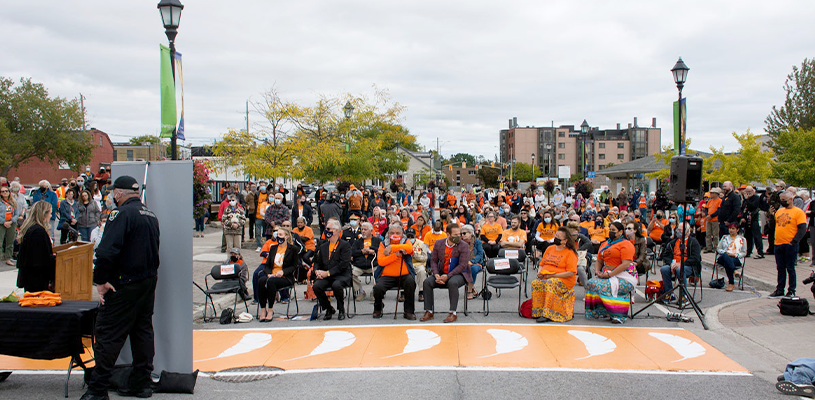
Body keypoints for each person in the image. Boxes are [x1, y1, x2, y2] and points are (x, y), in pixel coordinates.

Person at [82, 175, 160, 400]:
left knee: (109, 335)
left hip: (124, 283)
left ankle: (97, 390)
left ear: (118, 193)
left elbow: (106, 251)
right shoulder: (150, 215)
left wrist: (100, 280)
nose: (111, 197)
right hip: (147, 281)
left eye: (112, 193)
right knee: (142, 331)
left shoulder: (121, 214)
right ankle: (141, 383)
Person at [585, 221, 637, 324]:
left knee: (603, 286)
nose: (611, 232)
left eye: (613, 230)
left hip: (625, 276)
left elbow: (626, 264)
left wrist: (609, 274)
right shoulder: (605, 244)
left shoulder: (626, 244)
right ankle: (601, 311)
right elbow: (599, 260)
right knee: (591, 283)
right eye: (610, 230)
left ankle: (618, 315)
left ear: (620, 232)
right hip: (607, 274)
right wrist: (598, 271)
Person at [421, 222, 469, 323]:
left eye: (459, 234)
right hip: (442, 272)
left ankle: (453, 313)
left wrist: (448, 276)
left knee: (452, 283)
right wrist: (436, 274)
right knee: (427, 282)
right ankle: (429, 311)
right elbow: (433, 260)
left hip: (458, 274)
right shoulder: (439, 243)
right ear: (448, 234)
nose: (458, 237)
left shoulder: (463, 245)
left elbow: (462, 265)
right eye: (455, 235)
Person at [531, 226, 578, 323]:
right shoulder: (550, 248)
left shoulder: (570, 253)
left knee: (551, 283)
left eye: (558, 237)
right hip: (547, 276)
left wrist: (553, 276)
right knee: (536, 283)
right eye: (555, 235)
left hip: (563, 279)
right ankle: (538, 311)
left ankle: (548, 314)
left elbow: (571, 272)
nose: (556, 238)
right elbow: (542, 264)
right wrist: (539, 273)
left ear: (565, 241)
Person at [372, 224, 416, 319]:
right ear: (388, 233)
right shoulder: (383, 244)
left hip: (404, 275)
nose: (395, 235)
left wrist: (392, 248)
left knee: (411, 282)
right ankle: (378, 308)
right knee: (378, 288)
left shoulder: (406, 241)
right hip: (386, 276)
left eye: (397, 233)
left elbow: (409, 248)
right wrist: (395, 255)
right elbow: (381, 261)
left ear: (402, 233)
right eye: (392, 233)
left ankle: (409, 311)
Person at [769, 191, 808, 298]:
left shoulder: (798, 212)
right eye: (781, 199)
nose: (782, 202)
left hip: (790, 244)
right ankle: (780, 289)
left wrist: (794, 241)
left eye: (784, 200)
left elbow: (802, 229)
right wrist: (771, 216)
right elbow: (772, 226)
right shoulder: (780, 211)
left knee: (790, 268)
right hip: (778, 243)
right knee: (780, 268)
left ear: (791, 199)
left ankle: (791, 290)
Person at [312, 219, 352, 320]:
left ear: (336, 230)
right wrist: (317, 271)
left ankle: (341, 309)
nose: (327, 231)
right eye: (326, 229)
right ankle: (328, 308)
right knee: (316, 286)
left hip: (341, 275)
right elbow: (317, 261)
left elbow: (343, 264)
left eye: (329, 229)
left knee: (336, 285)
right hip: (326, 275)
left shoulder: (345, 245)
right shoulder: (323, 246)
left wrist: (328, 273)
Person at [257, 227, 299, 322]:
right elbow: (267, 265)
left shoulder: (293, 249)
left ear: (287, 236)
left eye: (280, 235)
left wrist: (283, 272)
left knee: (271, 282)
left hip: (285, 277)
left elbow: (294, 266)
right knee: (261, 280)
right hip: (272, 275)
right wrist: (268, 273)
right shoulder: (273, 248)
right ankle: (263, 309)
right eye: (277, 235)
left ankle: (270, 310)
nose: (278, 237)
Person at [658, 223, 702, 306]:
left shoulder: (693, 242)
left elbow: (695, 258)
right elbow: (665, 255)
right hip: (674, 264)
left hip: (689, 266)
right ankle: (669, 293)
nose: (678, 232)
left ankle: (683, 295)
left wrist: (682, 264)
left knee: (680, 270)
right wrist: (670, 263)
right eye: (678, 229)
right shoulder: (673, 243)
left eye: (681, 230)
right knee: (664, 269)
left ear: (687, 231)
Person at [15, 201, 54, 291]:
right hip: (36, 278)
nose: (51, 216)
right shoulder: (38, 232)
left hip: (31, 276)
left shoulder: (32, 228)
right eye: (50, 213)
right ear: (44, 214)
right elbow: (40, 258)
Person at [351, 222, 381, 301]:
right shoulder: (357, 241)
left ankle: (374, 291)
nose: (363, 231)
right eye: (362, 229)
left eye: (365, 229)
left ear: (371, 231)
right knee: (351, 273)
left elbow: (382, 250)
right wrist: (362, 251)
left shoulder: (377, 240)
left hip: (373, 265)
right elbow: (352, 252)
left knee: (381, 272)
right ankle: (361, 291)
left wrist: (372, 249)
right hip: (359, 266)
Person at [716, 223, 747, 292]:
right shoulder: (724, 237)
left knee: (728, 262)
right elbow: (718, 248)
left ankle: (731, 283)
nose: (731, 230)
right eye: (730, 228)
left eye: (733, 229)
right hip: (723, 256)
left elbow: (744, 253)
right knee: (725, 256)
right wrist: (725, 252)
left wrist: (735, 255)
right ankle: (734, 270)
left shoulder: (742, 239)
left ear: (737, 230)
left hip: (735, 258)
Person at [460, 224, 484, 300]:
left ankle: (469, 291)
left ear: (471, 233)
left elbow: (480, 255)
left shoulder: (478, 242)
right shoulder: (460, 243)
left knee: (472, 268)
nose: (462, 235)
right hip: (465, 263)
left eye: (464, 233)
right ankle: (472, 287)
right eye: (461, 234)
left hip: (477, 262)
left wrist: (472, 261)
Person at [406, 227, 430, 302]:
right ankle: (403, 292)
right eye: (408, 237)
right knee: (401, 271)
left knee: (422, 271)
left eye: (412, 237)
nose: (410, 238)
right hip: (406, 264)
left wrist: (414, 254)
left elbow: (424, 258)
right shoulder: (403, 243)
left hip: (418, 264)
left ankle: (421, 292)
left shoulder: (421, 244)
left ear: (415, 236)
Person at [740, 186, 764, 259]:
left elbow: (753, 206)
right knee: (747, 236)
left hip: (754, 219)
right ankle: (748, 251)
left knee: (757, 236)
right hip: (747, 219)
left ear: (753, 191)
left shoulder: (756, 198)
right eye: (747, 192)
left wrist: (747, 199)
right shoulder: (745, 200)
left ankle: (760, 252)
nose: (748, 193)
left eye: (750, 191)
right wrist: (742, 217)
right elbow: (742, 209)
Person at [0, 186, 21, 265]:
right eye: (3, 191)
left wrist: (11, 221)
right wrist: (4, 222)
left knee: (10, 242)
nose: (5, 192)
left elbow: (16, 213)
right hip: (2, 223)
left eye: (6, 191)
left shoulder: (13, 201)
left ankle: (8, 258)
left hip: (11, 223)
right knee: (0, 241)